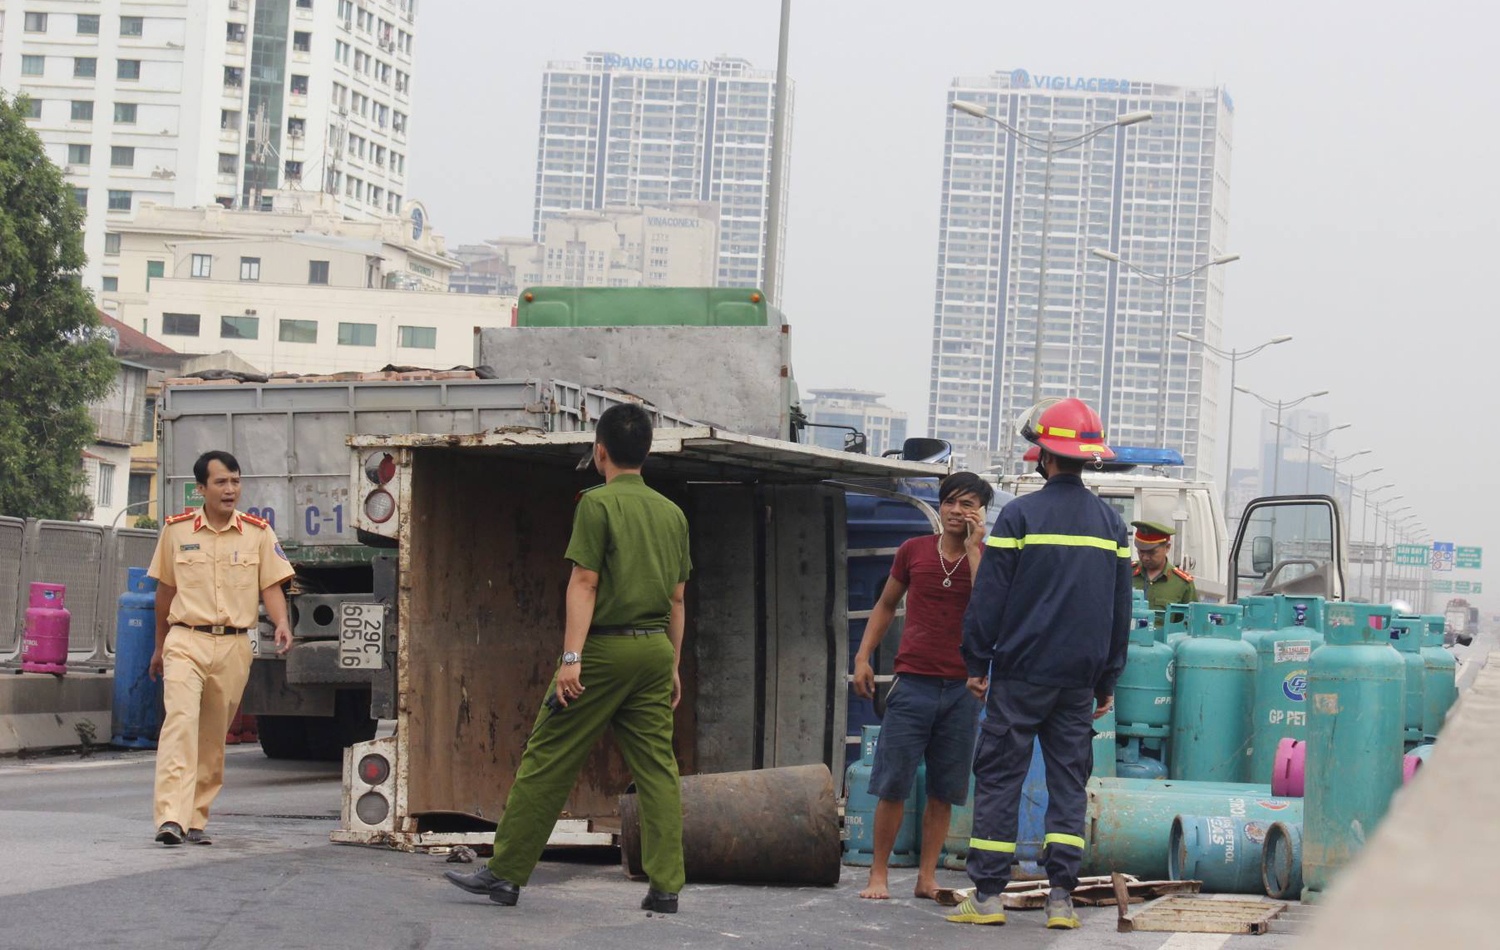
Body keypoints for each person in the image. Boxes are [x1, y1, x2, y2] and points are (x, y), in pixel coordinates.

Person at [445, 403, 692, 912]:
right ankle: (666, 887)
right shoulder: (673, 514)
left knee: (548, 759)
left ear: (600, 451)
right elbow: (677, 599)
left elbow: (584, 581)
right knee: (658, 771)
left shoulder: (596, 505)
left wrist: (571, 657)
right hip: (653, 651)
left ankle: (507, 874)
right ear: (646, 452)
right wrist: (672, 665)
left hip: (603, 652)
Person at [947, 398, 1132, 930]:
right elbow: (1120, 611)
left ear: (1044, 457)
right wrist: (1108, 679)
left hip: (1021, 675)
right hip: (1078, 682)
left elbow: (989, 600)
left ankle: (986, 898)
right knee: (1069, 784)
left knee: (1001, 778)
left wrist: (976, 662)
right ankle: (1061, 901)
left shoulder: (1019, 516)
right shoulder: (1111, 525)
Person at [852, 472, 994, 901]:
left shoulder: (987, 557)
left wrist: (972, 549)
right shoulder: (913, 551)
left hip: (962, 689)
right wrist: (862, 657)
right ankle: (878, 874)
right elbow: (886, 604)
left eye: (968, 504)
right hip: (912, 682)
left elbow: (989, 606)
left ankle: (926, 877)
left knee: (944, 788)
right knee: (891, 782)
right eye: (950, 502)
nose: (957, 511)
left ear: (982, 513)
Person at [147, 450, 294, 846]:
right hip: (185, 639)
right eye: (221, 482)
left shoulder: (258, 533)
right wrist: (159, 647)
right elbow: (164, 593)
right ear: (201, 489)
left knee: (212, 737)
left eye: (235, 481)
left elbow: (271, 586)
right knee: (179, 723)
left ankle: (195, 818)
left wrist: (281, 622)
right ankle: (170, 818)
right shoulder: (176, 532)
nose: (230, 489)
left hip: (233, 646)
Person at [1131, 521, 1198, 610]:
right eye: (1141, 552)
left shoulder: (1182, 584)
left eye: (1152, 552)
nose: (1145, 558)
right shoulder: (1125, 574)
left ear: (1167, 547)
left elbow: (1192, 620)